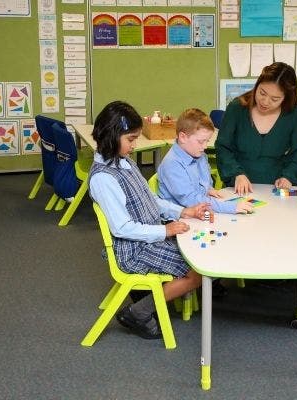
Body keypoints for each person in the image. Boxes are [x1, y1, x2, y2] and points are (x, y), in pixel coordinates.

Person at [88, 100, 208, 340]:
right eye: (130, 139)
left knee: (197, 249)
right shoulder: (103, 178)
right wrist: (166, 232)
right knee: (196, 273)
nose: (134, 145)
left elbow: (150, 200)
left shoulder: (124, 162)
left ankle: (143, 298)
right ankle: (138, 312)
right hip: (133, 250)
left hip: (148, 237)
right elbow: (122, 228)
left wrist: (182, 212)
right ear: (112, 136)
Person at [157, 108, 253, 298]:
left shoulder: (196, 154)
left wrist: (209, 189)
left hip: (197, 213)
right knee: (221, 231)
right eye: (201, 141)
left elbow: (205, 181)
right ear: (183, 137)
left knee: (229, 229)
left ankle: (211, 279)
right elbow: (193, 201)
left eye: (207, 141)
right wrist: (231, 207)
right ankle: (205, 279)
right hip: (179, 219)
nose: (204, 146)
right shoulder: (172, 164)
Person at [215, 62, 297, 196]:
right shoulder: (237, 108)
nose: (265, 102)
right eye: (262, 93)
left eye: (275, 99)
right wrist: (236, 174)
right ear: (257, 85)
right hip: (238, 189)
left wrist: (288, 177)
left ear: (286, 98)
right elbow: (223, 147)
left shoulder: (294, 114)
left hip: (277, 191)